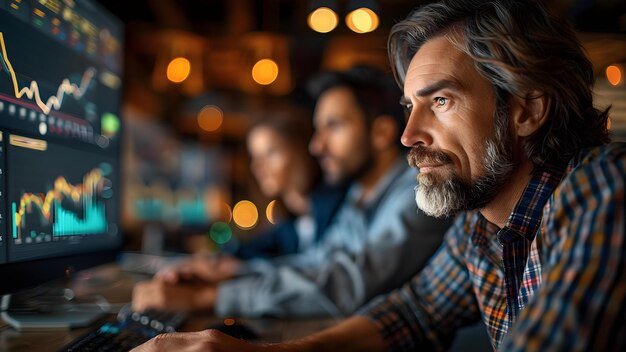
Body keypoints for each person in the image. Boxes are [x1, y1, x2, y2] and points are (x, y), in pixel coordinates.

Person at [131, 0, 626, 351]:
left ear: (526, 110)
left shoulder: (605, 190)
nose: (410, 134)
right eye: (411, 106)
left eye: (441, 101)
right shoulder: (481, 225)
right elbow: (413, 313)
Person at [131, 65, 450, 318]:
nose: (317, 145)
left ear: (381, 132)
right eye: (317, 129)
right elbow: (317, 262)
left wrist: (209, 297)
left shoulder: (416, 194)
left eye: (334, 126)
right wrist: (233, 272)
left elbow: (349, 284)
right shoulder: (360, 195)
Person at [222, 110, 346, 259]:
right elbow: (253, 251)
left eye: (270, 153)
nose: (258, 167)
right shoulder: (288, 223)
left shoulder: (339, 208)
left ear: (300, 150)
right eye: (255, 157)